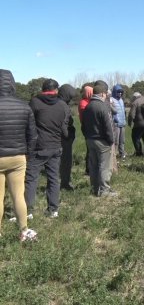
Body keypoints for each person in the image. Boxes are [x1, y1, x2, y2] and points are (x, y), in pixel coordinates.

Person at [0, 69, 38, 241]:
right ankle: (24, 230)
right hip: (18, 157)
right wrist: (28, 155)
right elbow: (32, 135)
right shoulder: (24, 106)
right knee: (18, 195)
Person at [25, 78, 70, 218]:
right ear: (56, 90)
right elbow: (65, 128)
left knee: (31, 179)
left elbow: (28, 124)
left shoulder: (35, 102)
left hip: (38, 147)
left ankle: (28, 210)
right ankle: (53, 209)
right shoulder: (63, 105)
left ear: (43, 89)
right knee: (53, 178)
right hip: (56, 146)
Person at [82, 80, 118, 197]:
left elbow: (83, 125)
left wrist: (87, 137)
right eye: (106, 93)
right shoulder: (103, 106)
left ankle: (94, 188)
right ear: (102, 94)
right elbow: (108, 126)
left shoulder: (88, 106)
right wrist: (111, 140)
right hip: (102, 141)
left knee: (93, 165)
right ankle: (104, 191)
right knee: (104, 166)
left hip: (90, 140)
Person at [58, 84, 77, 190]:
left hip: (56, 137)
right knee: (66, 161)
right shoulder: (63, 106)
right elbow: (64, 124)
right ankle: (65, 183)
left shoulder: (57, 102)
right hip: (64, 138)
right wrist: (68, 136)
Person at [128, 92, 144, 157]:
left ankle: (139, 153)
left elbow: (131, 115)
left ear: (135, 97)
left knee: (135, 138)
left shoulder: (135, 102)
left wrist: (130, 122)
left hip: (139, 124)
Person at [78, 84, 93, 175]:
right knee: (90, 149)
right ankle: (88, 169)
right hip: (87, 127)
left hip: (89, 127)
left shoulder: (89, 101)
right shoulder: (83, 102)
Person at [110, 84, 126, 159]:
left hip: (122, 123)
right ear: (114, 92)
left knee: (122, 140)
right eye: (118, 92)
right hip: (116, 123)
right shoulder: (112, 100)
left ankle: (122, 154)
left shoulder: (122, 100)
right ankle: (114, 156)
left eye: (121, 92)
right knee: (116, 141)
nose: (120, 93)